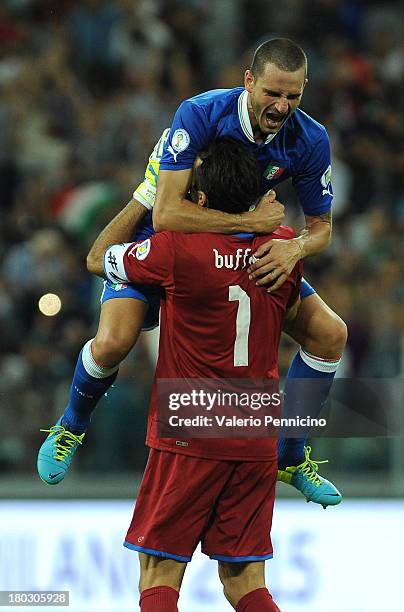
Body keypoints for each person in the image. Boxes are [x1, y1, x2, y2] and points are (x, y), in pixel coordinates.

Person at [38, 37, 345, 508]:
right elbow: (166, 214)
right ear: (249, 82)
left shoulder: (309, 138)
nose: (282, 107)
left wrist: (294, 248)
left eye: (294, 96)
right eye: (272, 94)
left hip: (237, 251)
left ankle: (290, 453)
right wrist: (252, 223)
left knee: (330, 335)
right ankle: (71, 426)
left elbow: (322, 228)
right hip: (169, 245)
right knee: (115, 343)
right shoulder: (201, 114)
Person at [101, 138, 303, 612]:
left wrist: (147, 197)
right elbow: (292, 310)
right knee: (245, 582)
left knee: (159, 572)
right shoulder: (284, 249)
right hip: (255, 428)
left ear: (201, 201)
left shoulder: (176, 248)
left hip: (191, 424)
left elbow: (99, 257)